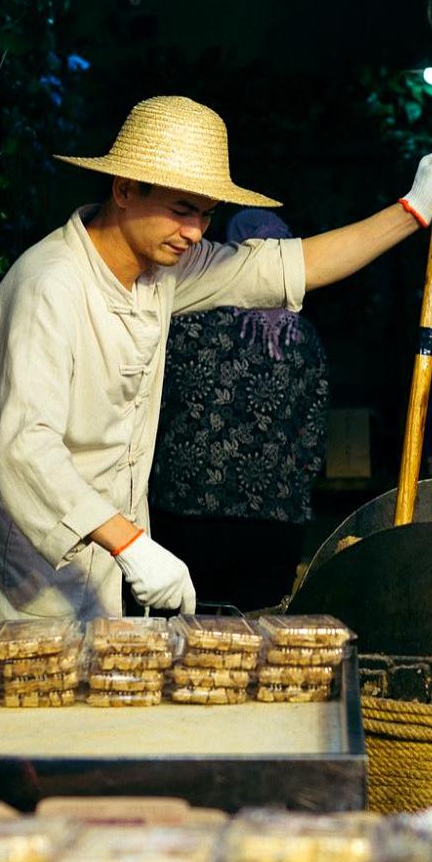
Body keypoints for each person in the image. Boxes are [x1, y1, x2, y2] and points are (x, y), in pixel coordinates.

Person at [0, 95, 432, 621]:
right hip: (25, 585)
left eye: (206, 215)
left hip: (105, 575)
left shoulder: (161, 268)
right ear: (124, 189)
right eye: (182, 210)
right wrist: (130, 542)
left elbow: (285, 266)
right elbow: (26, 449)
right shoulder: (50, 285)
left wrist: (411, 211)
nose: (195, 232)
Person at [149, 210, 330, 613]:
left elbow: (153, 409)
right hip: (274, 522)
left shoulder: (186, 322)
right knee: (257, 641)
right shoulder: (303, 338)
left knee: (184, 640)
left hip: (184, 511)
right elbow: (314, 434)